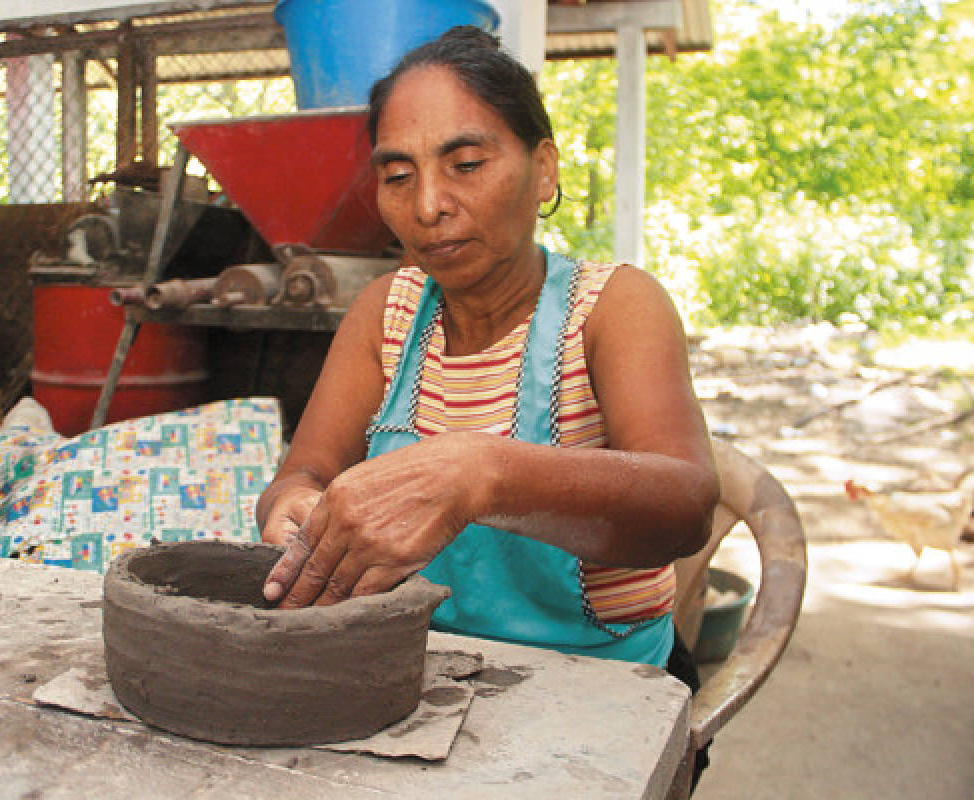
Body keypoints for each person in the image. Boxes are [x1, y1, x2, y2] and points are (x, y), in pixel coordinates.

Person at [257, 26, 718, 673]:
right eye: (397, 175)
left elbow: (687, 507)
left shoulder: (613, 308)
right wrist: (292, 512)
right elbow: (302, 474)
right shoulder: (384, 314)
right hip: (422, 670)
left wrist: (484, 474)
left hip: (604, 689)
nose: (429, 205)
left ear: (544, 168)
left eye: (466, 165)